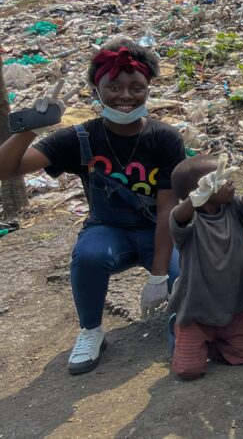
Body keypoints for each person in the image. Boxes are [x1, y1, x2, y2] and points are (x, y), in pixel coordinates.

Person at [0, 40, 185, 374]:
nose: (125, 96)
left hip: (154, 230)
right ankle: (91, 330)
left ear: (149, 89)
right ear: (96, 89)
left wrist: (158, 277)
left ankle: (186, 328)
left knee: (182, 276)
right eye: (113, 87)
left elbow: (165, 212)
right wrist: (28, 130)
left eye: (136, 87)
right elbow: (7, 169)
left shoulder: (165, 139)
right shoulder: (80, 137)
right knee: (89, 256)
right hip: (108, 228)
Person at [168, 155, 243, 380]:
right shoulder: (190, 225)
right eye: (223, 179)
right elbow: (177, 219)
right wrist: (194, 200)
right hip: (196, 312)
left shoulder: (232, 211)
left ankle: (210, 345)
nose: (231, 182)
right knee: (188, 371)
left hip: (232, 308)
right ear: (200, 190)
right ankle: (181, 329)